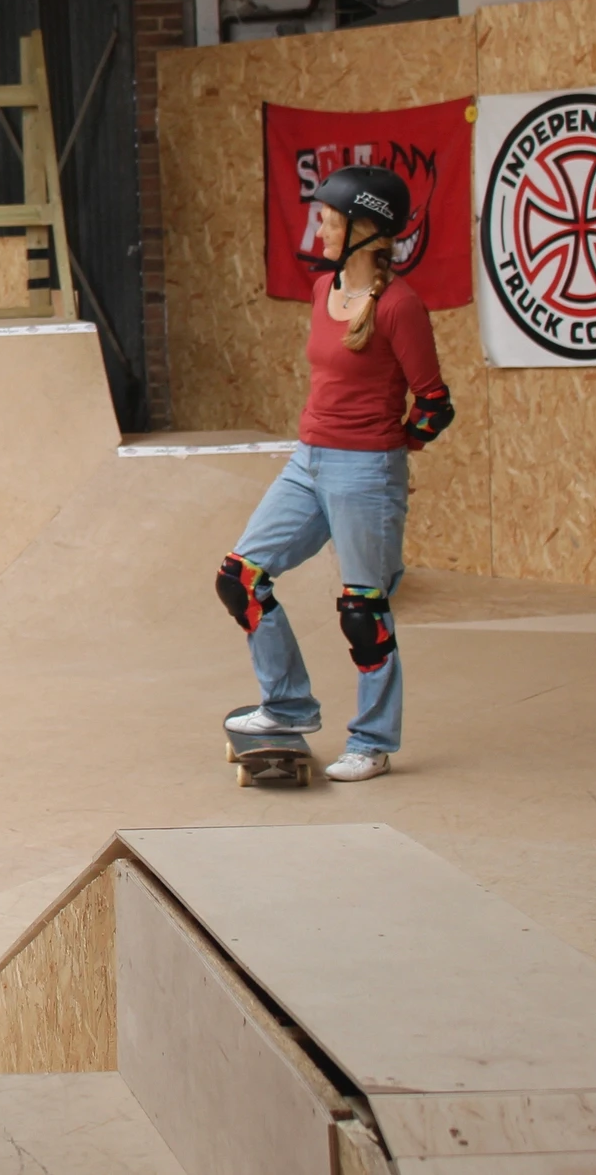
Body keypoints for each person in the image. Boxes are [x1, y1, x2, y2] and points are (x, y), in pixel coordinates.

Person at [217, 165, 455, 781]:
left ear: (362, 228)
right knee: (241, 579)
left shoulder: (400, 306)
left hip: (365, 471)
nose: (318, 229)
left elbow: (434, 405)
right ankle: (287, 705)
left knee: (363, 612)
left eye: (326, 219)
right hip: (308, 461)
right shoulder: (324, 289)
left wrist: (391, 451)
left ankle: (371, 742)